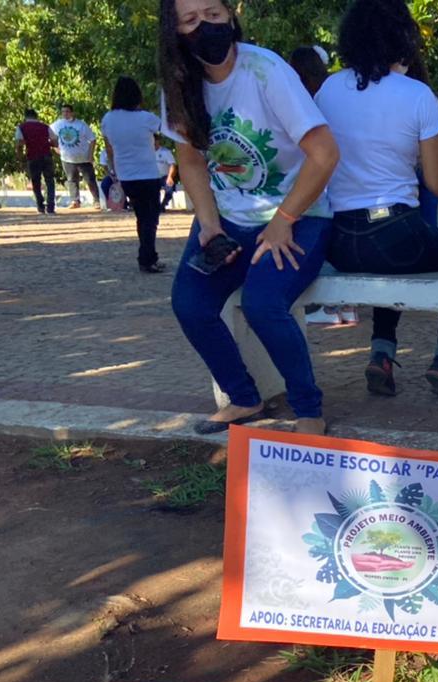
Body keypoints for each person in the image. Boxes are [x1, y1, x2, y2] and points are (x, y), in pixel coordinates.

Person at [159, 0, 339, 436]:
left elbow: (325, 153)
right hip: (229, 219)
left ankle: (308, 409)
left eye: (214, 14)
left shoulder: (266, 71)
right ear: (175, 33)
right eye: (191, 20)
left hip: (301, 215)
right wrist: (208, 223)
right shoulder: (179, 85)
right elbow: (192, 160)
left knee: (263, 304)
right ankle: (243, 398)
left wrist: (283, 219)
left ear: (231, 15)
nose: (205, 26)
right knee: (190, 304)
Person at [317, 0, 438, 400]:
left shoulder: (329, 89)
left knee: (394, 260)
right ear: (402, 37)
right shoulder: (417, 95)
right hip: (396, 231)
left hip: (341, 239)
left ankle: (381, 354)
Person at [101, 77, 165, 273]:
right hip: (148, 173)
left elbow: (109, 148)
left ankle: (146, 256)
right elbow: (165, 130)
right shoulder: (146, 118)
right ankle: (147, 258)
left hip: (126, 175)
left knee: (141, 217)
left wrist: (113, 170)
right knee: (150, 219)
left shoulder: (108, 119)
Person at [50, 104, 101, 210]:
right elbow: (51, 138)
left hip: (83, 157)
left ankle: (96, 201)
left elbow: (92, 139)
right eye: (63, 111)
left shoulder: (81, 125)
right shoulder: (56, 125)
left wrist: (90, 155)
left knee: (90, 179)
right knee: (71, 180)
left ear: (72, 112)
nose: (65, 114)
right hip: (67, 158)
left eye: (67, 111)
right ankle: (75, 201)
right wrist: (57, 150)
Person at [14, 109, 57, 215]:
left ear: (26, 116)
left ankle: (40, 206)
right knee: (50, 181)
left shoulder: (21, 127)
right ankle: (51, 207)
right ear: (36, 116)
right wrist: (48, 144)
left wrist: (20, 156)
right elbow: (55, 141)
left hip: (32, 156)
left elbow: (19, 143)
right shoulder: (45, 126)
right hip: (46, 155)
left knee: (36, 182)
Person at [156, 142, 179, 209]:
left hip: (165, 176)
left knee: (169, 189)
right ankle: (156, 206)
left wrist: (170, 177)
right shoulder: (147, 152)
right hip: (153, 177)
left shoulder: (165, 152)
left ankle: (163, 205)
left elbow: (172, 165)